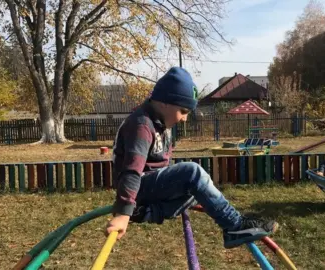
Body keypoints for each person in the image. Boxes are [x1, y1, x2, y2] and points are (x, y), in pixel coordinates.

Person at [105, 67, 278, 249]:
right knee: (193, 172)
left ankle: (147, 212)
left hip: (149, 188)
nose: (185, 119)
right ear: (164, 102)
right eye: (183, 111)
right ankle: (234, 226)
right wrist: (123, 212)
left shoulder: (161, 124)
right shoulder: (141, 125)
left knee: (200, 190)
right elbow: (132, 171)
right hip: (137, 186)